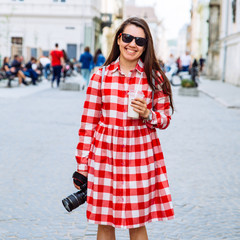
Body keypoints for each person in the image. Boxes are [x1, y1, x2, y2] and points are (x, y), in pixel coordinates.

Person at [74, 17, 174, 240]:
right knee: (105, 223)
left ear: (146, 46)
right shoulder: (100, 76)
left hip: (140, 157)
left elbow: (165, 119)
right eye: (127, 38)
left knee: (137, 223)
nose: (132, 44)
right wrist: (82, 166)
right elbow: (88, 124)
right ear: (119, 39)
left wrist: (148, 114)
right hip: (104, 158)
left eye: (140, 40)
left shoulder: (154, 78)